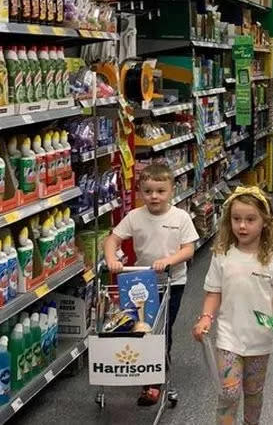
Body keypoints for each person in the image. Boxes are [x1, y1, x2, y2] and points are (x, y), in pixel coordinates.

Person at [193, 187, 273, 425]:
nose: (242, 226)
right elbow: (213, 292)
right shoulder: (222, 255)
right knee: (228, 392)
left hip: (260, 340)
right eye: (236, 219)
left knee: (253, 392)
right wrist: (206, 317)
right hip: (229, 337)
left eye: (250, 220)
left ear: (265, 222)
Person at [103, 163, 199, 406]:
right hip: (140, 282)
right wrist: (112, 258)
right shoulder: (134, 216)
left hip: (172, 282)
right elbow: (112, 239)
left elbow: (189, 249)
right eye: (148, 191)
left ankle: (154, 382)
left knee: (162, 329)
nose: (154, 196)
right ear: (140, 192)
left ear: (172, 191)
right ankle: (141, 369)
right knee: (139, 328)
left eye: (160, 191)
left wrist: (168, 261)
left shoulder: (181, 217)